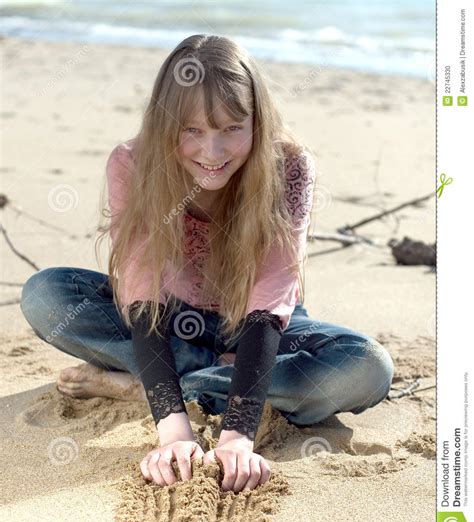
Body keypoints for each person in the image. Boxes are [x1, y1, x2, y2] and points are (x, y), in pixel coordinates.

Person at [20, 34, 394, 494]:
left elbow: (269, 304)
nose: (212, 153)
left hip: (262, 326)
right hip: (170, 317)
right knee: (46, 296)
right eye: (192, 130)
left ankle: (151, 385)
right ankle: (205, 384)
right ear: (165, 124)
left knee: (367, 368)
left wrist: (237, 436)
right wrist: (174, 431)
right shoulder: (132, 164)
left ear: (257, 121)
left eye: (232, 128)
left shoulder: (290, 166)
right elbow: (142, 296)